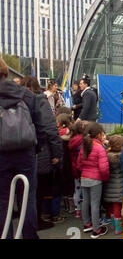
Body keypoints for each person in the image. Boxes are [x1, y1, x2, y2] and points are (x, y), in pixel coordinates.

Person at [20, 76, 63, 230]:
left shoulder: (14, 99)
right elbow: (50, 130)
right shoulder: (39, 100)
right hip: (39, 151)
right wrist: (57, 154)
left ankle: (23, 218)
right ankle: (35, 221)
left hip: (16, 151)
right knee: (37, 188)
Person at [77, 122, 110, 239]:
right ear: (99, 134)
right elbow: (103, 168)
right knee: (95, 204)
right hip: (96, 179)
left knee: (85, 201)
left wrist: (84, 172)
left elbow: (79, 164)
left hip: (84, 177)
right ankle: (97, 229)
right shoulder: (99, 148)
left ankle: (87, 224)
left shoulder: (84, 146)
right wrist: (105, 178)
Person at [103, 135, 123, 235]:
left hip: (109, 185)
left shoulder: (106, 155)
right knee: (117, 207)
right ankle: (118, 228)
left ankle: (113, 224)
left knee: (111, 207)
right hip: (119, 186)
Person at [68, 120, 88, 219]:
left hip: (75, 168)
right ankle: (84, 211)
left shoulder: (73, 139)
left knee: (77, 189)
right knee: (84, 191)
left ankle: (77, 210)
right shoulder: (83, 141)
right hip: (83, 169)